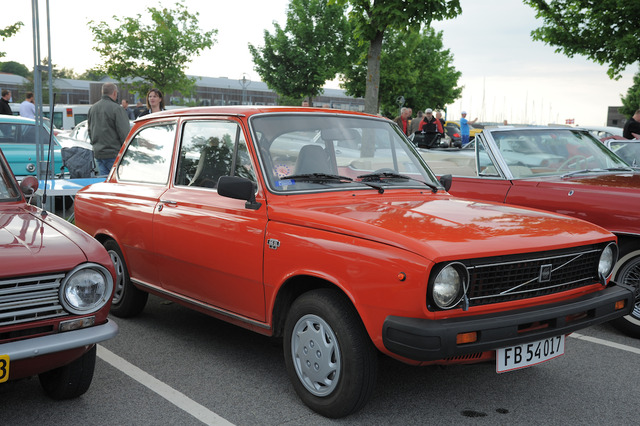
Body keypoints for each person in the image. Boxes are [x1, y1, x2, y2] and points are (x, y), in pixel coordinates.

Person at [87, 82, 131, 175]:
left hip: (98, 153)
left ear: (102, 92)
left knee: (105, 183)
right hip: (114, 154)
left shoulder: (93, 108)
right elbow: (124, 133)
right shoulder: (117, 109)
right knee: (117, 184)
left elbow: (90, 130)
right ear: (114, 93)